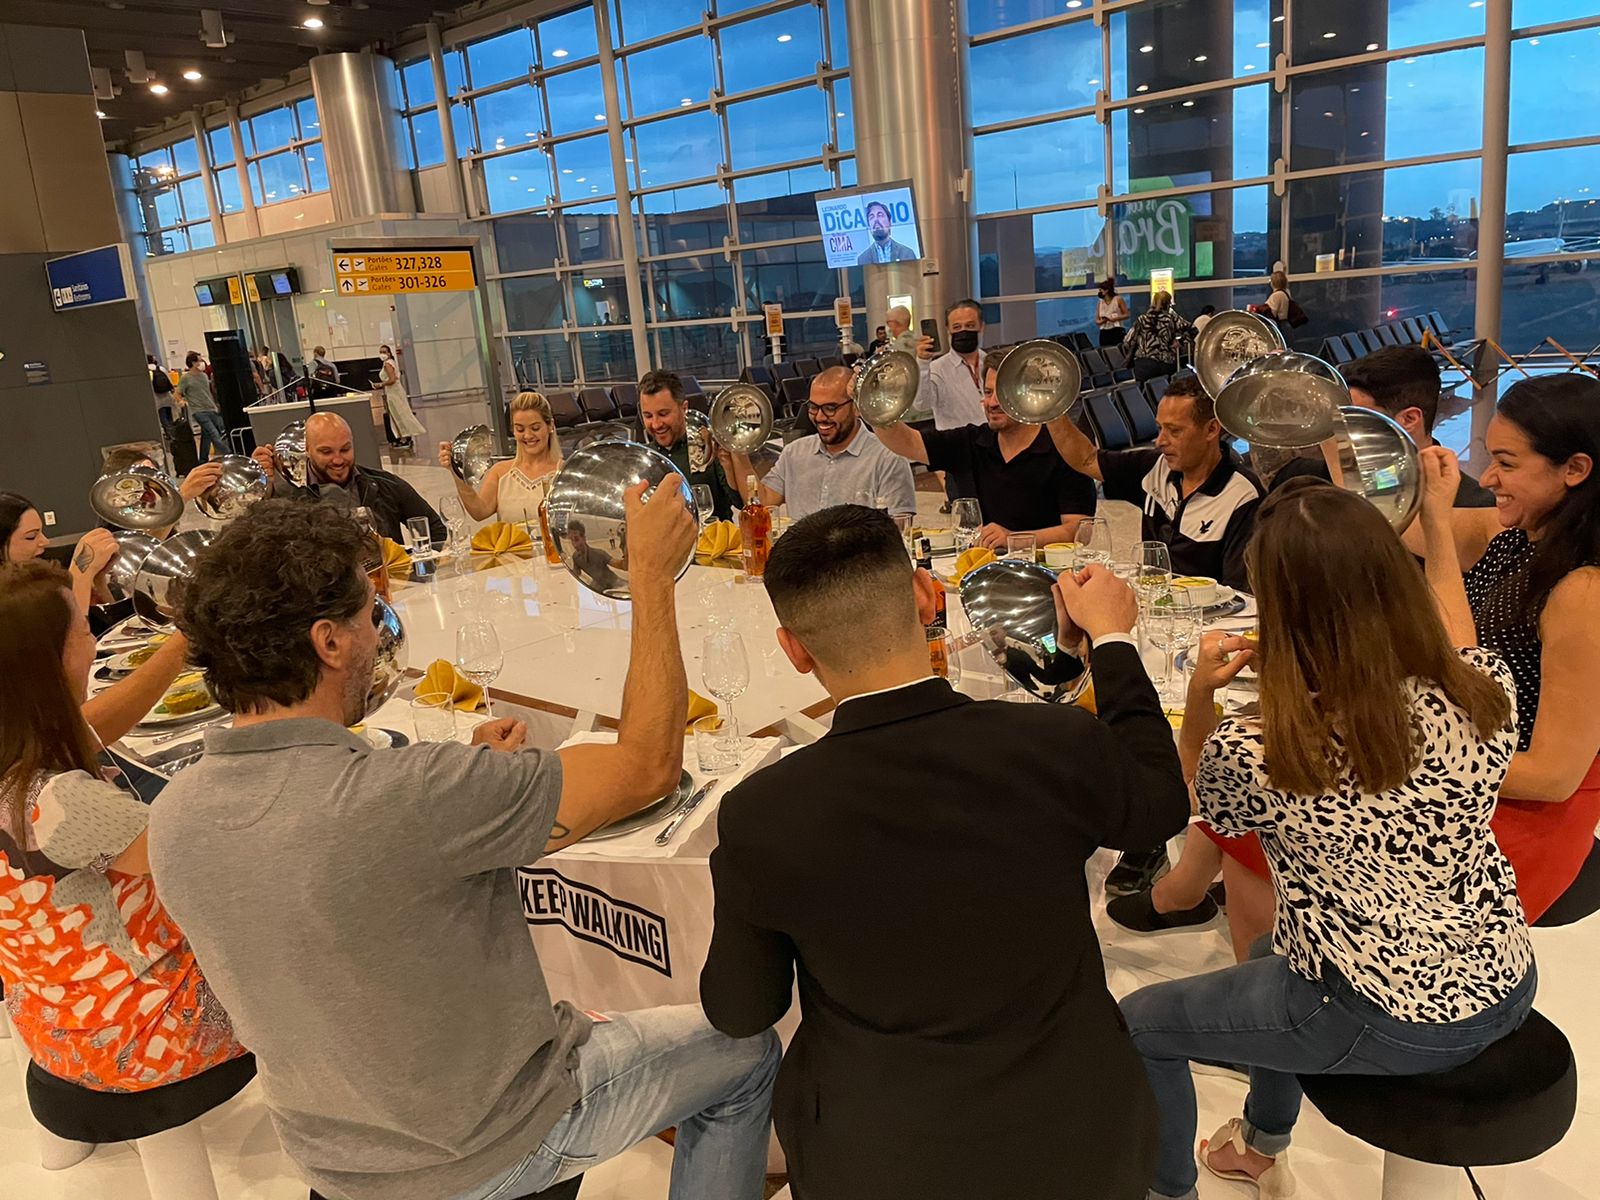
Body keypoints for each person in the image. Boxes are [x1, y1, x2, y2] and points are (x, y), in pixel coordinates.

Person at [147, 497, 779, 1200]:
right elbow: (646, 767)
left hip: (331, 1157)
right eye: (369, 617)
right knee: (745, 1051)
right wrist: (652, 578)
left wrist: (466, 781)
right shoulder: (414, 793)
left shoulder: (173, 815)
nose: (378, 635)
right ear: (328, 642)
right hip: (485, 1148)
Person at [701, 505, 1190, 1200]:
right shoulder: (1053, 744)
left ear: (794, 650)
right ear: (928, 596)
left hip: (877, 1158)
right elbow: (1161, 805)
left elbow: (741, 1008)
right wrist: (1110, 640)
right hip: (1079, 1139)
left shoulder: (762, 813)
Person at [1121, 479, 1535, 1200]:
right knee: (1266, 953)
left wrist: (1200, 698)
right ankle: (1260, 1143)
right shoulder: (1485, 686)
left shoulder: (1267, 750)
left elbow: (1188, 800)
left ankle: (1168, 1190)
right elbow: (1443, 649)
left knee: (1138, 1025)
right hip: (1505, 976)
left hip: (1381, 1012)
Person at [0, 560, 250, 1097]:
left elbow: (92, 724)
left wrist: (183, 641)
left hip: (55, 1023)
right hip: (138, 1038)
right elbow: (210, 863)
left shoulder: (15, 753)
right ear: (51, 661)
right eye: (84, 631)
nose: (93, 640)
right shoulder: (61, 801)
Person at [1413, 375, 1600, 923]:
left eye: (1506, 463)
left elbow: (1553, 777)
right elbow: (1385, 523)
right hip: (1466, 772)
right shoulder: (1516, 536)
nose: (1487, 477)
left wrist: (1408, 753)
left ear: (1574, 469)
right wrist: (1337, 436)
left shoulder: (1584, 591)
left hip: (1521, 812)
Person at [1046, 374, 1262, 590]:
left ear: (1212, 429)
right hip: (1154, 600)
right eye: (1160, 428)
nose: (1160, 442)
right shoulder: (1155, 467)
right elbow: (1087, 459)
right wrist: (1050, 409)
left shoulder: (1242, 496)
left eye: (1174, 431)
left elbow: (1240, 595)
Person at [874, 349, 1096, 550]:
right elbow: (907, 442)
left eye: (1003, 393)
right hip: (979, 566)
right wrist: (873, 403)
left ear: (1029, 396)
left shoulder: (1064, 450)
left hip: (1046, 571)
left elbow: (1079, 530)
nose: (992, 403)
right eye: (988, 392)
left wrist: (1015, 539)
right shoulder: (971, 441)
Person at [1271, 346, 1495, 507]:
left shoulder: (1471, 503)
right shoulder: (1322, 477)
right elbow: (1275, 474)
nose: (1342, 431)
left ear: (1409, 419)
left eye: (1359, 417)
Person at [723, 366, 915, 521]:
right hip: (801, 555)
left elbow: (898, 530)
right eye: (813, 407)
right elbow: (762, 503)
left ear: (857, 407)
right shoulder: (794, 453)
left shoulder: (888, 458)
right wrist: (738, 450)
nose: (820, 417)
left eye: (830, 408)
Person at [253, 411, 445, 545]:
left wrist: (415, 572)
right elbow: (261, 549)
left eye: (345, 449)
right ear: (308, 451)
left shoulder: (386, 485)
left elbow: (436, 530)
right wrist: (263, 490)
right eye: (326, 452)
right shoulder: (288, 498)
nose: (338, 460)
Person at [440, 390, 564, 525]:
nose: (528, 435)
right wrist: (456, 471)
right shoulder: (500, 472)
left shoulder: (566, 472)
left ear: (550, 426)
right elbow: (479, 512)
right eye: (520, 429)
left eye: (535, 428)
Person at [633, 370, 741, 520]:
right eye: (648, 416)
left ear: (684, 408)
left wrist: (730, 464)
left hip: (715, 533)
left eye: (663, 414)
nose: (656, 424)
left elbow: (741, 502)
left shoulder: (708, 447)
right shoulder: (645, 459)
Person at [914, 298, 987, 429]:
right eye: (957, 327)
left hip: (992, 438)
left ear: (981, 326)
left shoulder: (990, 362)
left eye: (970, 326)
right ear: (948, 330)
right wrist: (923, 363)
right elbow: (922, 404)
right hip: (956, 440)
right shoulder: (937, 368)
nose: (963, 331)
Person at [1125, 291, 1193, 383]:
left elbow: (1128, 341)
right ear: (1169, 304)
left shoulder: (1142, 319)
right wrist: (1180, 342)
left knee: (1143, 390)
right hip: (1167, 363)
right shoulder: (1172, 318)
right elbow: (1193, 330)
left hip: (1144, 364)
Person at [177, 350, 227, 463]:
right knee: (214, 435)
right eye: (200, 361)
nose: (202, 363)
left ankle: (203, 459)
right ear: (193, 363)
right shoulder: (186, 378)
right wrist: (182, 401)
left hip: (211, 408)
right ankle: (229, 453)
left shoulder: (204, 376)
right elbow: (177, 393)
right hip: (198, 411)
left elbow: (208, 392)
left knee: (207, 435)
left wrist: (215, 405)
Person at [374, 344, 425, 450]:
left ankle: (404, 438)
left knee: (399, 414)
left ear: (389, 353)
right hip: (395, 391)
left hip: (393, 392)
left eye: (384, 352)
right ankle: (406, 437)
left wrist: (380, 384)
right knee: (402, 413)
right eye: (381, 352)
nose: (382, 354)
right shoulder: (391, 362)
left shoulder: (388, 364)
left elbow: (392, 379)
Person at [854, 200, 918, 265]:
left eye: (880, 215)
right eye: (871, 217)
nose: (876, 220)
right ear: (869, 226)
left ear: (889, 222)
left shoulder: (907, 253)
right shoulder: (862, 259)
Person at [1096, 278, 1130, 347]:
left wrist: (1116, 318)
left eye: (1101, 290)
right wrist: (1104, 320)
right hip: (1104, 332)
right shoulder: (1100, 303)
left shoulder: (1118, 299)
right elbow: (1097, 321)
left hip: (1117, 330)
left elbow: (1127, 314)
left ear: (1106, 291)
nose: (1099, 292)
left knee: (1117, 349)